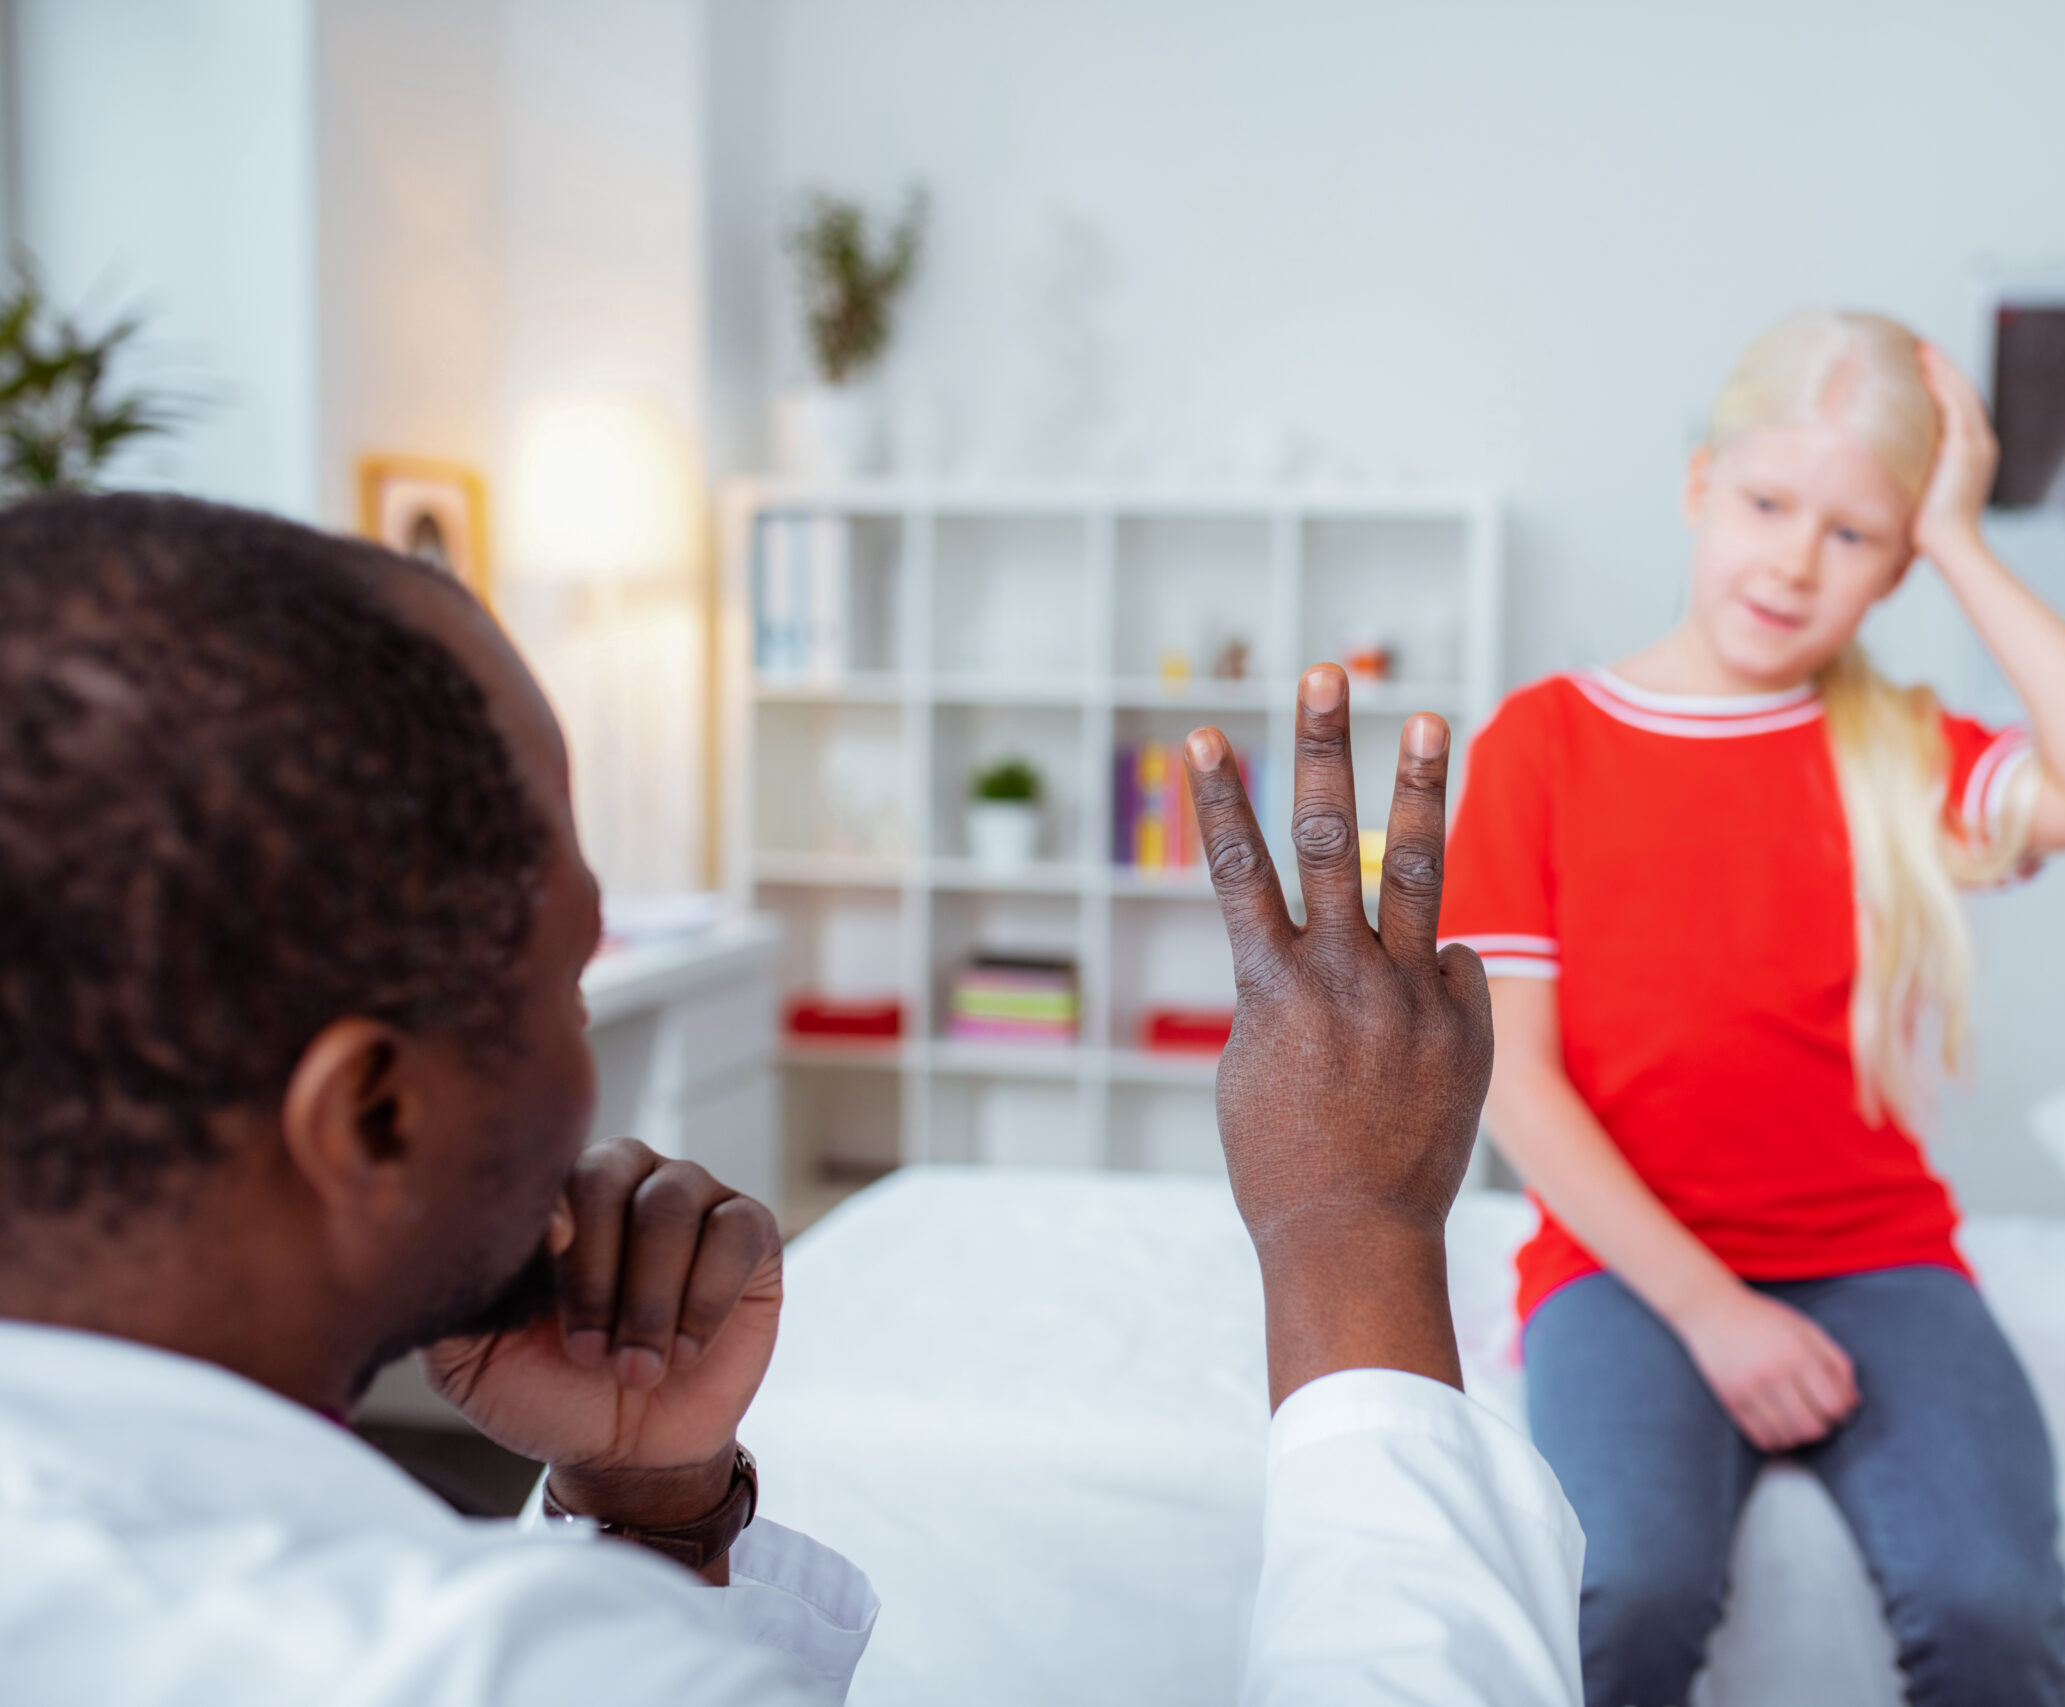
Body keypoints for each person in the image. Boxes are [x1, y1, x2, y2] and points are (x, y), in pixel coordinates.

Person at [0, 494, 1582, 1705]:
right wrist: (1352, 1230)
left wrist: (649, 1515)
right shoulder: (436, 1665)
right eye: (567, 976)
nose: (586, 1063)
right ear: (371, 1122)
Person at [1439, 311, 2065, 1707]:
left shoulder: (1899, 754)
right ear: (1697, 487)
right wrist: (1716, 1311)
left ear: (1897, 565)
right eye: (1768, 504)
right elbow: (1514, 1083)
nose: (1793, 559)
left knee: (1993, 1611)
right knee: (1625, 1592)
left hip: (1878, 1261)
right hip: (1626, 1273)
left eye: (1855, 535)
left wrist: (1962, 537)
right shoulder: (1543, 743)